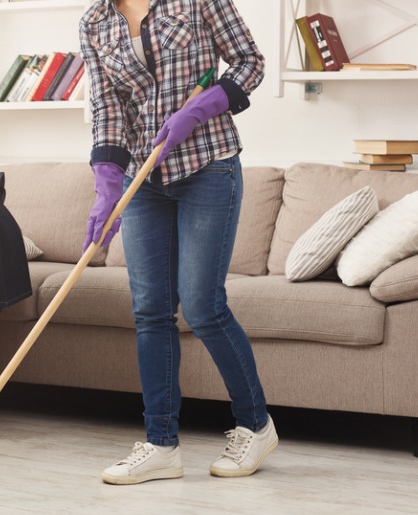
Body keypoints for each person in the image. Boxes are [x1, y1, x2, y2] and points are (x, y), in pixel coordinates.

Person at [78, 0, 277, 485]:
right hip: (142, 178)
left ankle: (256, 425)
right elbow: (107, 106)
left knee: (204, 306)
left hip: (208, 165)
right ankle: (161, 445)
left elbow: (250, 61)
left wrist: (204, 105)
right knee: (150, 310)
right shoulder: (94, 21)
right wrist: (107, 180)